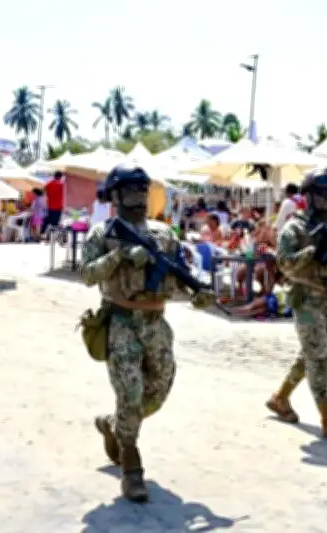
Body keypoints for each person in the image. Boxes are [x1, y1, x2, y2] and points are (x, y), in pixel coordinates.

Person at [80, 165, 214, 503]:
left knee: (158, 389)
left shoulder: (163, 234)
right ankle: (131, 467)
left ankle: (114, 426)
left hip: (156, 324)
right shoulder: (103, 232)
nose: (138, 198)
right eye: (130, 192)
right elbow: (87, 274)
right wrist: (121, 254)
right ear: (115, 195)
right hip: (121, 322)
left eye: (142, 191)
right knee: (131, 393)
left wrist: (196, 293)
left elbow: (176, 275)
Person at [265, 167, 327, 444]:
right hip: (307, 299)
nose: (326, 198)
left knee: (311, 354)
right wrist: (311, 252)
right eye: (320, 193)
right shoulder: (296, 228)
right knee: (318, 358)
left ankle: (280, 398)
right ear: (308, 195)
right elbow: (283, 263)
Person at [41, 170, 65, 236]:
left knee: (48, 220)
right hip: (59, 206)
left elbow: (43, 192)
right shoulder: (62, 184)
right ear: (61, 177)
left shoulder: (48, 184)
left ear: (54, 176)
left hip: (50, 206)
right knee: (55, 223)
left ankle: (43, 232)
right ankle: (52, 236)